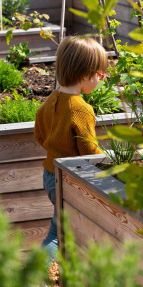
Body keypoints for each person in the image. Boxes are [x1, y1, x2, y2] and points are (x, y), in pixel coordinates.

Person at [34, 36, 108, 264]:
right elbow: (90, 152)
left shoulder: (51, 100)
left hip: (49, 175)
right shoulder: (80, 109)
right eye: (100, 75)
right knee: (57, 235)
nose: (101, 80)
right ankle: (31, 280)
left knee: (65, 230)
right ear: (86, 74)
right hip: (68, 182)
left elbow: (40, 134)